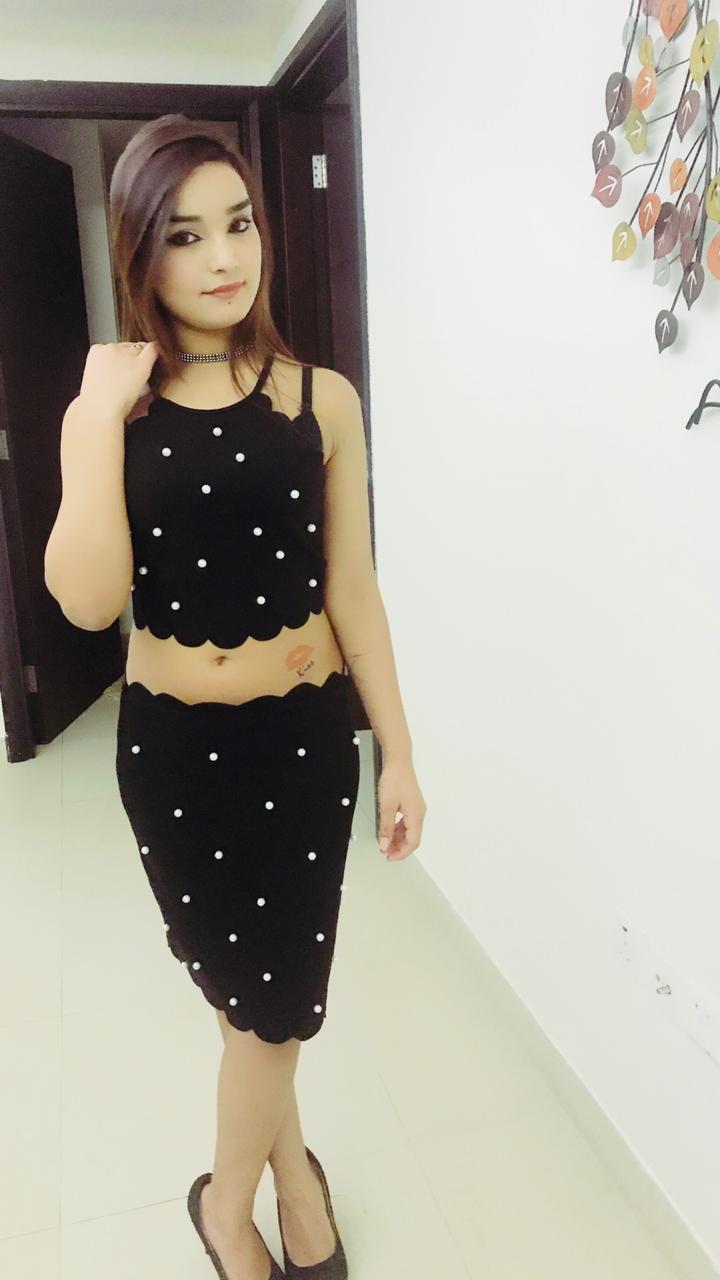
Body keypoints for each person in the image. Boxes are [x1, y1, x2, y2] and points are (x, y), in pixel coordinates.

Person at [44, 113, 426, 1280]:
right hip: (172, 760)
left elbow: (353, 588)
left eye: (241, 224)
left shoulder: (322, 400)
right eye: (185, 234)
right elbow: (87, 601)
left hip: (300, 746)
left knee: (275, 1004)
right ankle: (279, 1186)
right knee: (245, 997)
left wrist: (400, 750)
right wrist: (89, 419)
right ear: (140, 253)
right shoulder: (116, 409)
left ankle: (233, 1201)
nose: (224, 257)